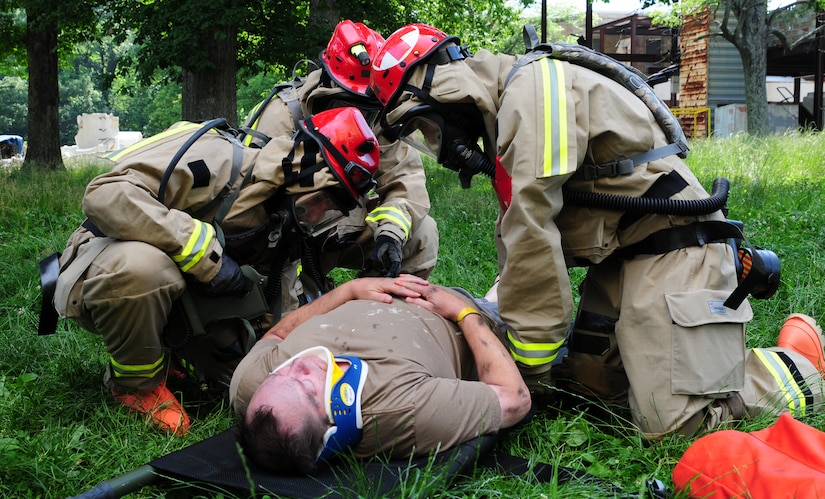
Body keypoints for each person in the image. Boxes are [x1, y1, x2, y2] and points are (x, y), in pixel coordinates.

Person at [368, 23, 825, 438]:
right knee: (592, 392)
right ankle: (685, 359)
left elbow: (531, 231)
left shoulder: (529, 93)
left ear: (446, 91)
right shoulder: (510, 106)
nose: (434, 142)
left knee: (672, 423)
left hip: (677, 248)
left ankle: (797, 364)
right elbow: (518, 233)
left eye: (427, 125)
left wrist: (529, 370)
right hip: (623, 259)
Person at [49, 107, 380, 436]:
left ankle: (170, 356)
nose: (322, 212)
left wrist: (277, 362)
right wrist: (202, 253)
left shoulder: (287, 215)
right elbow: (105, 194)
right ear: (305, 165)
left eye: (335, 206)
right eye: (326, 196)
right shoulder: (217, 159)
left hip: (183, 285)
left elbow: (278, 301)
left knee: (241, 381)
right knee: (144, 269)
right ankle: (135, 386)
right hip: (107, 265)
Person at [230, 274, 531, 473]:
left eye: (277, 377)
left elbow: (277, 334)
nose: (298, 366)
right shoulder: (404, 410)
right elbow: (514, 400)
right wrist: (463, 312)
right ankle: (498, 292)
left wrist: (350, 290)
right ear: (336, 429)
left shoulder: (250, 385)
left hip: (388, 294)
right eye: (308, 389)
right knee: (525, 279)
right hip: (466, 319)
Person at [241, 20, 438, 313]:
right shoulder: (283, 115)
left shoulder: (378, 116)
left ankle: (376, 318)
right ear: (327, 83)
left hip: (343, 224)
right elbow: (251, 199)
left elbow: (404, 180)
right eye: (349, 104)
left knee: (423, 235)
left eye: (367, 108)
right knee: (291, 319)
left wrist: (391, 232)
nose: (358, 118)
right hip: (286, 234)